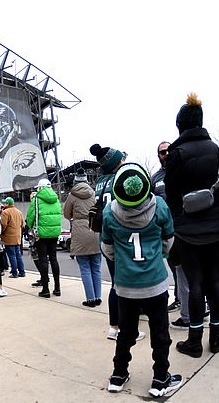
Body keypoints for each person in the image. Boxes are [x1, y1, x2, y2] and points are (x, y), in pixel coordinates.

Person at [101, 163, 183, 398]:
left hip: (125, 286)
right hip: (155, 283)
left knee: (126, 332)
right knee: (160, 333)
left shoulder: (109, 212)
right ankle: (160, 378)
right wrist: (158, 256)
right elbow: (168, 241)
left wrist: (125, 264)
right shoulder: (160, 207)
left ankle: (118, 375)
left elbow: (107, 248)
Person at [164, 93, 219, 358]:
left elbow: (170, 193)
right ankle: (215, 336)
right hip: (216, 225)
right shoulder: (216, 150)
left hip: (187, 229)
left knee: (195, 282)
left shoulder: (176, 155)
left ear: (180, 125)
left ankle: (194, 340)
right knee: (216, 279)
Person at [90, 143, 147, 342]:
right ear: (116, 162)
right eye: (121, 159)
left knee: (116, 284)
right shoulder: (120, 179)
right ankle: (126, 329)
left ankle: (114, 327)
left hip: (105, 238)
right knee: (124, 286)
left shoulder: (100, 182)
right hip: (122, 238)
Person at [63, 167, 102, 307]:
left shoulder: (72, 195)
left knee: (85, 268)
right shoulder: (93, 193)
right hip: (95, 229)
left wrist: (76, 215)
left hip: (80, 231)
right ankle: (98, 297)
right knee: (96, 267)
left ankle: (90, 299)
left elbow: (66, 214)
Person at [151, 141, 181, 313]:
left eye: (170, 151)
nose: (166, 154)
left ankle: (201, 300)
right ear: (159, 155)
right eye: (163, 152)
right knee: (174, 266)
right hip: (167, 230)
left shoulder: (182, 170)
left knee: (192, 267)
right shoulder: (155, 178)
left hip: (185, 226)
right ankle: (179, 298)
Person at [26, 178, 62, 298]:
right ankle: (57, 288)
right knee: (54, 259)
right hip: (54, 233)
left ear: (40, 187)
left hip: (41, 233)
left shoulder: (36, 199)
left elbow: (30, 217)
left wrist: (30, 227)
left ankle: (45, 289)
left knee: (43, 259)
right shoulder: (56, 199)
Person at [0, 197, 26, 278]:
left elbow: (3, 225)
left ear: (7, 204)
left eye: (5, 203)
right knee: (18, 255)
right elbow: (23, 224)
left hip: (8, 237)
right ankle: (22, 272)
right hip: (17, 237)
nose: (4, 204)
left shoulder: (5, 212)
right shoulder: (19, 212)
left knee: (11, 255)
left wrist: (1, 233)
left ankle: (14, 272)